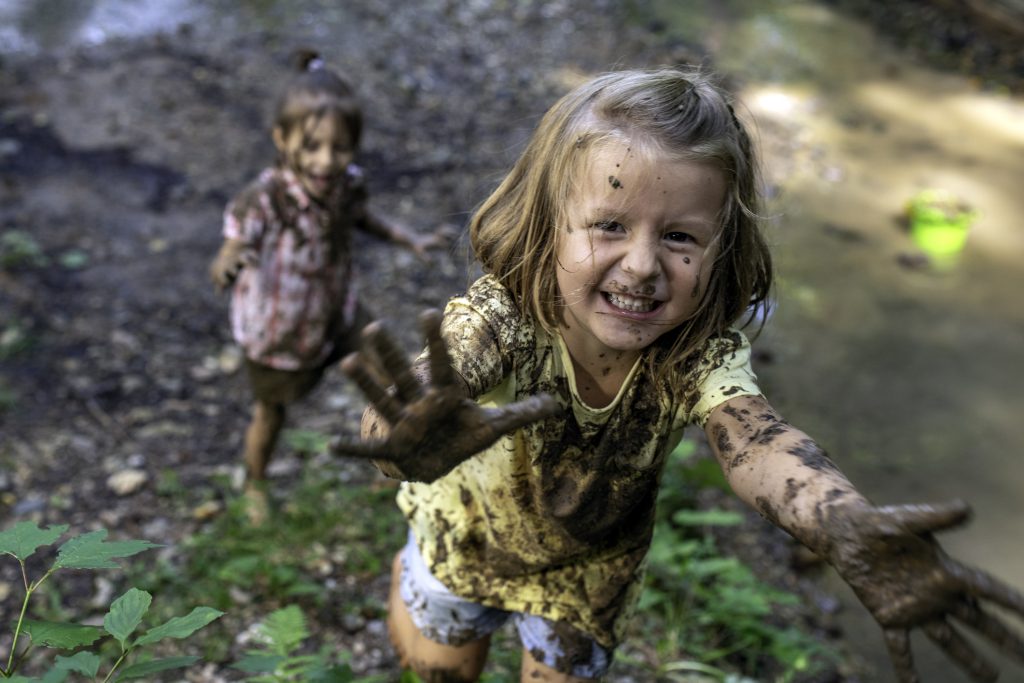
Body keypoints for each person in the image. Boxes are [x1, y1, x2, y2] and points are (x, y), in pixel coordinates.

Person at [332, 67, 1024, 682]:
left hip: (589, 573)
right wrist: (402, 433)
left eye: (679, 237)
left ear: (722, 251)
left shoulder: (691, 352)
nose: (641, 264)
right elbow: (422, 391)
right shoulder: (507, 316)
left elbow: (758, 442)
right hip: (463, 535)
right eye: (608, 224)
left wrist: (838, 521)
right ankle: (410, 579)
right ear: (548, 229)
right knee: (435, 668)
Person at [210, 51, 442, 523]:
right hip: (280, 331)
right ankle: (255, 480)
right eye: (311, 146)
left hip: (338, 310)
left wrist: (407, 238)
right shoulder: (266, 199)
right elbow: (231, 245)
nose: (325, 161)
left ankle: (398, 454)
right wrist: (229, 263)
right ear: (281, 139)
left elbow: (362, 217)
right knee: (271, 411)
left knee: (389, 372)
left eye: (340, 148)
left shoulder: (346, 183)